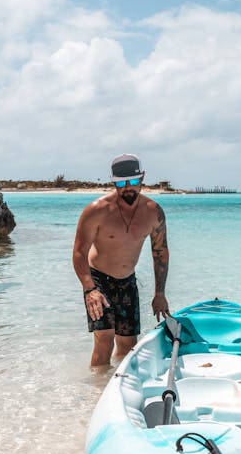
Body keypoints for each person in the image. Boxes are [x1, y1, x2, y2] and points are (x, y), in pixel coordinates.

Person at [73, 154, 170, 366]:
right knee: (104, 339)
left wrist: (160, 293)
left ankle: (116, 385)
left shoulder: (153, 212)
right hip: (98, 280)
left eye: (133, 182)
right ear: (113, 181)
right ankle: (95, 394)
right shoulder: (96, 211)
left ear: (142, 178)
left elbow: (160, 252)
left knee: (128, 345)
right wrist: (90, 289)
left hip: (127, 281)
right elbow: (79, 252)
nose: (128, 188)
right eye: (121, 183)